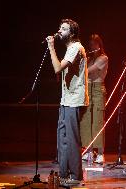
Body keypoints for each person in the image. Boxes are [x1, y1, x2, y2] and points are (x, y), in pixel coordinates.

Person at [46, 18, 89, 182]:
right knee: (62, 137)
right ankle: (64, 173)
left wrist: (51, 47)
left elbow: (57, 67)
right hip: (66, 99)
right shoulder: (70, 48)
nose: (59, 31)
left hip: (74, 100)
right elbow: (61, 72)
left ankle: (76, 175)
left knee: (71, 139)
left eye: (63, 29)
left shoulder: (76, 47)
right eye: (59, 28)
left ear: (71, 33)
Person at [80, 34, 108, 164]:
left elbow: (91, 70)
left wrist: (80, 65)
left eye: (94, 44)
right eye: (90, 44)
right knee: (86, 121)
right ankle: (89, 150)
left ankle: (101, 153)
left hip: (97, 90)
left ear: (99, 45)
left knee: (97, 121)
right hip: (88, 90)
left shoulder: (103, 58)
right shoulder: (90, 58)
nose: (91, 46)